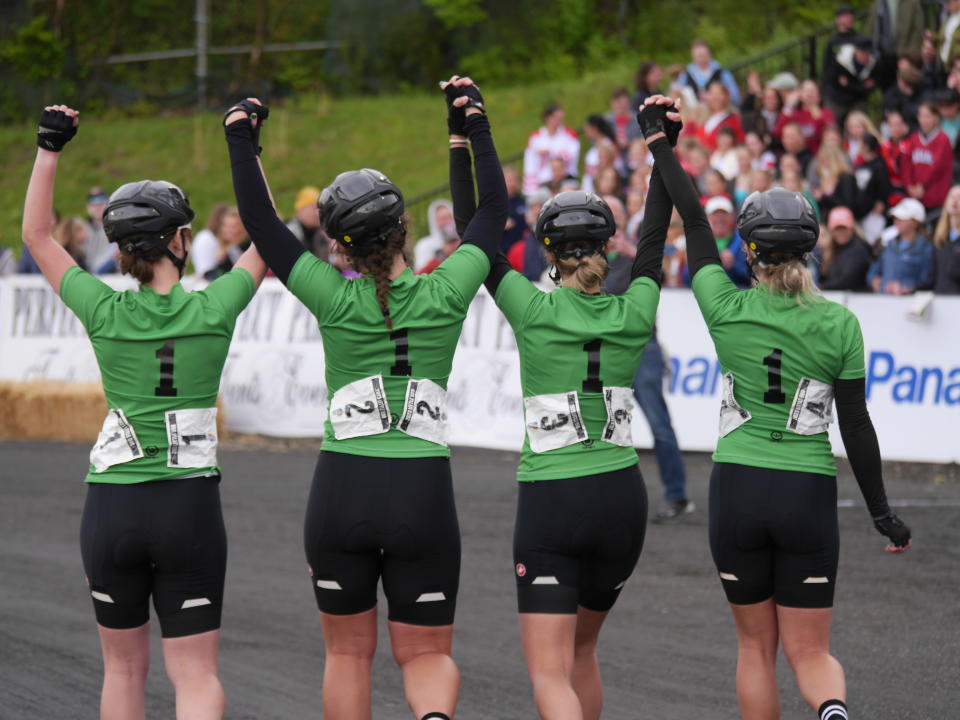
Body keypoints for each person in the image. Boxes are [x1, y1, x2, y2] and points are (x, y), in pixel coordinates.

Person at [224, 78, 507, 720]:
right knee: (428, 655)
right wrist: (470, 127)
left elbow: (263, 225)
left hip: (342, 486)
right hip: (422, 492)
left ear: (339, 245)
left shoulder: (330, 294)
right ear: (405, 227)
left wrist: (243, 137)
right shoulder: (449, 288)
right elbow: (491, 214)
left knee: (348, 657)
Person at [647, 93, 912, 720]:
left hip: (739, 487)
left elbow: (691, 219)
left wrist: (662, 141)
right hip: (807, 491)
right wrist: (882, 515)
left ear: (749, 250)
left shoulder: (723, 304)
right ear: (811, 245)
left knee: (754, 649)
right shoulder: (840, 324)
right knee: (811, 653)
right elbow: (858, 426)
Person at [22, 105, 267, 719]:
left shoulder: (103, 309)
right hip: (187, 506)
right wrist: (247, 146)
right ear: (180, 241)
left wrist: (50, 147)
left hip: (113, 505)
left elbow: (36, 237)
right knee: (196, 674)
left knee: (123, 670)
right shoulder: (215, 307)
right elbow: (268, 236)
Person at [452, 98, 681, 720]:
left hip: (555, 497)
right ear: (609, 246)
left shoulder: (531, 307)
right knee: (582, 653)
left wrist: (468, 135)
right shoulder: (636, 310)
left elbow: (474, 229)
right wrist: (661, 145)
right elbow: (657, 231)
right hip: (620, 497)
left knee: (549, 670)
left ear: (548, 253)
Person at [603, 195, 693, 522]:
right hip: (609, 349)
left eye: (613, 215)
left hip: (642, 347)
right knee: (603, 426)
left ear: (624, 218)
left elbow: (668, 272)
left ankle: (677, 495)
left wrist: (635, 254)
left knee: (659, 424)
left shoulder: (637, 251)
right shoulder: (594, 260)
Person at [868, 197, 935, 293]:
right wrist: (873, 280)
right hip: (884, 302)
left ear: (915, 222)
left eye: (902, 218)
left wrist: (906, 288)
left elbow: (926, 280)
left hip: (910, 304)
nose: (896, 221)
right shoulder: (889, 243)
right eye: (896, 218)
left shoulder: (926, 248)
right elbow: (874, 270)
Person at [902, 101, 953, 211]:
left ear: (935, 117)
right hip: (914, 196)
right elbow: (906, 163)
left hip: (935, 197)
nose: (924, 119)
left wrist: (922, 185)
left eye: (927, 116)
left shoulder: (943, 139)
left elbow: (937, 166)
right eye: (921, 115)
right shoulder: (914, 138)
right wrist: (909, 186)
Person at [523, 103, 581, 194]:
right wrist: (530, 189)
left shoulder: (569, 135)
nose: (559, 122)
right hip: (542, 182)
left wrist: (549, 151)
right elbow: (530, 164)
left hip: (565, 180)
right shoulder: (535, 137)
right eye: (556, 118)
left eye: (561, 119)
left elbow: (572, 156)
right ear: (547, 118)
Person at [773, 80, 837, 156]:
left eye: (812, 90)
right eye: (806, 90)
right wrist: (788, 107)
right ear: (800, 94)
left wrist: (818, 116)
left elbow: (831, 135)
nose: (809, 93)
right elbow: (777, 133)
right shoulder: (794, 114)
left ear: (819, 95)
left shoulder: (826, 113)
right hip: (798, 156)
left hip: (821, 156)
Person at [818, 206, 875, 290]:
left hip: (858, 299)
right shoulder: (831, 248)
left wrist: (821, 287)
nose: (840, 232)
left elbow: (847, 281)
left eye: (844, 228)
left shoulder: (858, 249)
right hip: (836, 298)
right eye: (837, 229)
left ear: (851, 228)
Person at [679, 38, 740, 105]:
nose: (701, 59)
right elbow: (677, 94)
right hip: (694, 112)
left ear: (710, 54)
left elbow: (735, 97)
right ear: (693, 56)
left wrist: (714, 97)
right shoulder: (686, 74)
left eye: (703, 55)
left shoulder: (722, 72)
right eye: (698, 56)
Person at [19, 216, 89, 273]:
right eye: (83, 230)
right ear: (74, 232)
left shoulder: (75, 252)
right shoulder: (67, 253)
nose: (86, 233)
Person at [286, 186, 329, 259]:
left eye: (319, 208)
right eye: (314, 208)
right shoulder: (292, 232)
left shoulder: (320, 232)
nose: (317, 213)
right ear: (301, 210)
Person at [414, 199, 457, 271]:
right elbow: (420, 273)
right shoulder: (424, 245)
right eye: (443, 219)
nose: (447, 222)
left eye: (449, 217)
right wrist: (442, 254)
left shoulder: (464, 237)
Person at [932, 184, 960, 292]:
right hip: (940, 300)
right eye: (952, 197)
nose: (955, 201)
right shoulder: (940, 238)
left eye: (959, 197)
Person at [604, 86, 641, 152]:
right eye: (617, 103)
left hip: (634, 157)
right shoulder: (606, 121)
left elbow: (645, 141)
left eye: (623, 104)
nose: (620, 106)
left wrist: (630, 144)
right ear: (612, 103)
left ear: (629, 103)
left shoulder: (638, 120)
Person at [502, 165, 527, 253]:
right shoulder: (495, 204)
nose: (512, 184)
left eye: (514, 180)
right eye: (509, 180)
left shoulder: (524, 202)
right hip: (502, 252)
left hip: (521, 253)